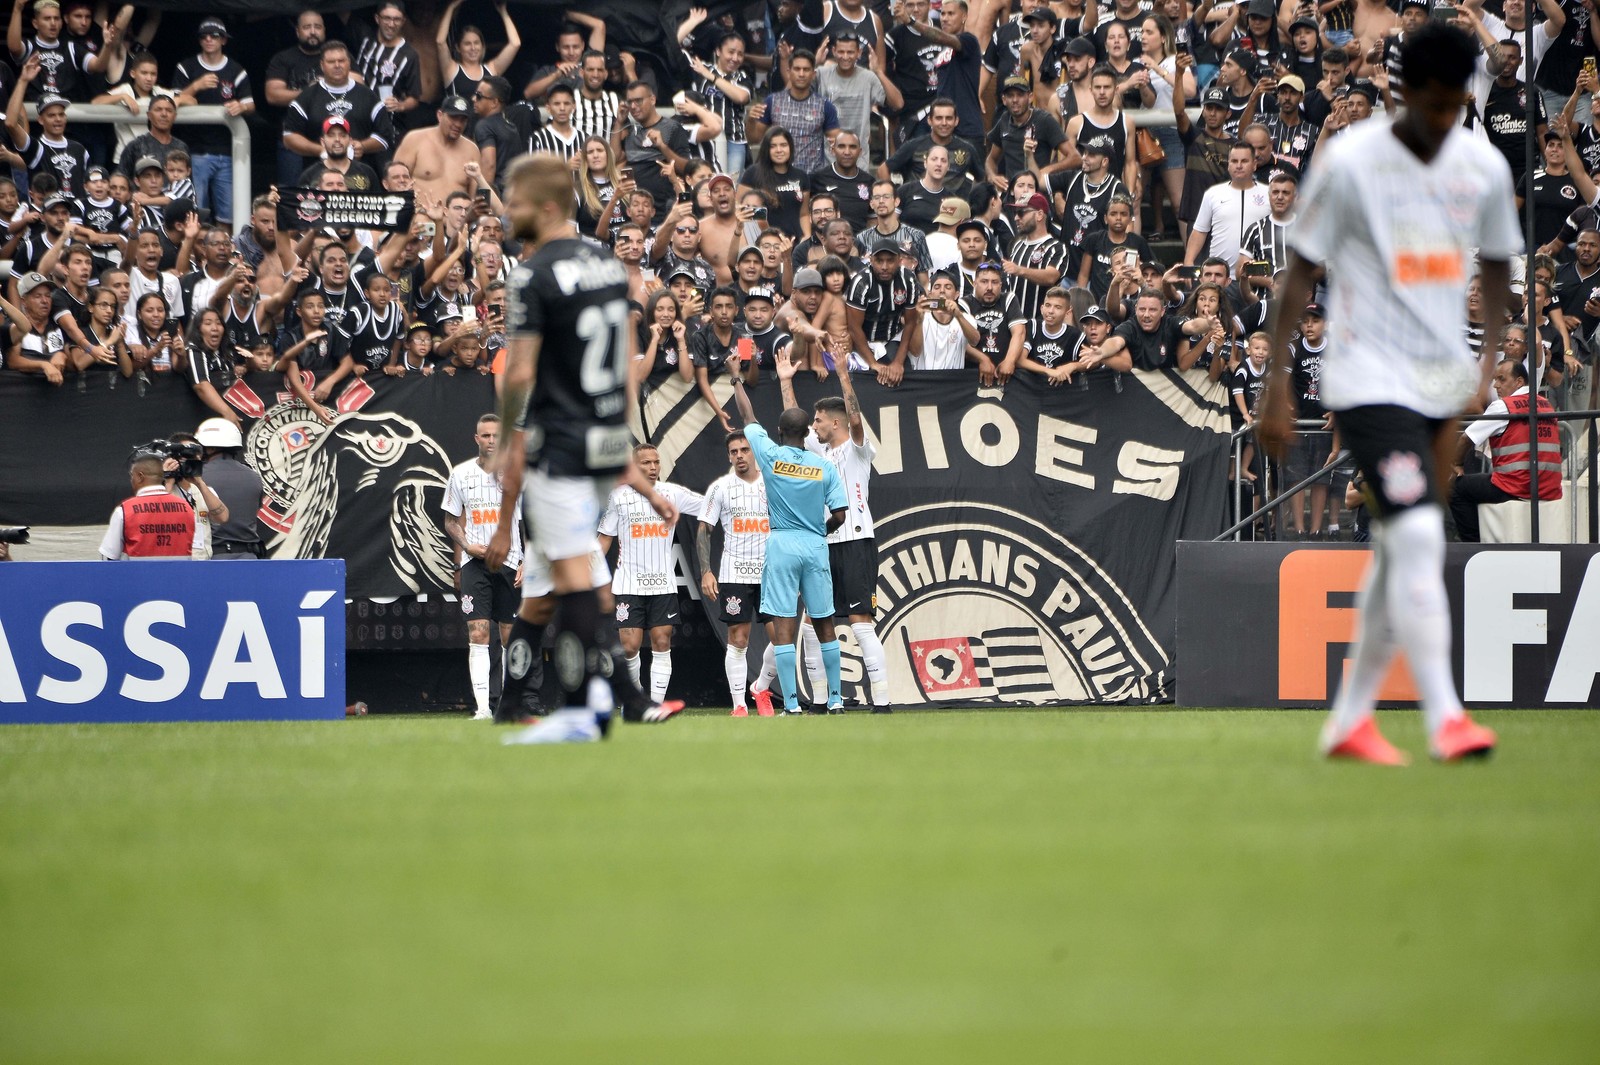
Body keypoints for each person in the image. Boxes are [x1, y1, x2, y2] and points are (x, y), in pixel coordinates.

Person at [1258, 23, 1517, 765]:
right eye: (1431, 105)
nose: (1443, 121)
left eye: (1455, 106)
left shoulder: (1482, 165)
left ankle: (1349, 720)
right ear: (1403, 92)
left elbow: (1496, 266)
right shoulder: (1351, 161)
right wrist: (1277, 383)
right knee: (1418, 533)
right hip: (1368, 379)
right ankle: (1446, 718)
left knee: (1397, 541)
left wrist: (1487, 361)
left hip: (1441, 380)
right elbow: (1299, 274)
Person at [485, 153, 683, 744]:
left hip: (558, 440)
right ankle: (602, 707)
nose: (509, 213)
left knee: (570, 582)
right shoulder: (606, 266)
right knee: (579, 588)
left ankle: (612, 706)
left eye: (515, 203)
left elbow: (519, 370)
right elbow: (623, 358)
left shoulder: (529, 276)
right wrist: (624, 444)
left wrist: (505, 436)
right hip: (601, 433)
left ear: (546, 207)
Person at [727, 352, 848, 715]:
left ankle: (792, 704)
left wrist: (736, 377)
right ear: (808, 433)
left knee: (783, 627)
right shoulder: (823, 466)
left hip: (781, 543)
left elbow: (748, 416)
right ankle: (836, 700)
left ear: (779, 433)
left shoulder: (769, 454)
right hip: (814, 544)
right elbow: (841, 515)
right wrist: (818, 532)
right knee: (824, 623)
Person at [775, 347, 893, 713]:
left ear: (835, 423)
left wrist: (844, 374)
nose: (814, 426)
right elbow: (796, 424)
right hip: (823, 545)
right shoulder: (820, 455)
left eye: (820, 421)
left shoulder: (858, 449)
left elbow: (856, 421)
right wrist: (785, 382)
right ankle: (824, 700)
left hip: (856, 541)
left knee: (860, 623)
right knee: (812, 622)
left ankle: (883, 702)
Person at [597, 443, 704, 705]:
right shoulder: (618, 497)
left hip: (662, 584)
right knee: (630, 646)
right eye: (646, 463)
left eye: (656, 462)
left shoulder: (671, 493)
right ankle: (635, 704)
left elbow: (709, 506)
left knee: (661, 641)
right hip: (628, 584)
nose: (653, 467)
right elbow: (604, 541)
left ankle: (655, 706)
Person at [444, 413, 524, 720]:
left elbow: (534, 520)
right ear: (477, 439)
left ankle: (507, 705)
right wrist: (466, 546)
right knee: (478, 633)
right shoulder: (460, 474)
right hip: (476, 563)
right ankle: (482, 709)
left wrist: (528, 561)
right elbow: (451, 520)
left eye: (496, 436)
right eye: (485, 436)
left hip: (510, 562)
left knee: (509, 635)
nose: (491, 440)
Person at [697, 431, 774, 716]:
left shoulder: (772, 483)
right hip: (735, 573)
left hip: (770, 572)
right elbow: (704, 529)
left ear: (754, 452)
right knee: (738, 639)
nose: (740, 455)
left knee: (781, 639)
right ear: (728, 456)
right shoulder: (720, 487)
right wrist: (706, 571)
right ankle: (739, 704)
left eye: (744, 449)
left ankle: (761, 686)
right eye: (734, 452)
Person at [1448, 358, 1563, 543]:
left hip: (1517, 485)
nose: (1495, 385)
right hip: (1549, 487)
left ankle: (1472, 547)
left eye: (1502, 379)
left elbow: (1465, 438)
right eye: (1495, 379)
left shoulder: (1504, 406)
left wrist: (1457, 463)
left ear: (1519, 382)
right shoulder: (1545, 403)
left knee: (1455, 489)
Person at [98, 451, 195, 560]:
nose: (131, 480)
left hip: (138, 575)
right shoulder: (187, 508)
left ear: (140, 476)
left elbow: (109, 556)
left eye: (132, 475)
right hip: (179, 575)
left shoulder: (124, 511)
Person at [196, 417, 264, 561]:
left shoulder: (197, 477)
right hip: (249, 559)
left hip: (212, 559)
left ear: (210, 448)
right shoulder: (254, 476)